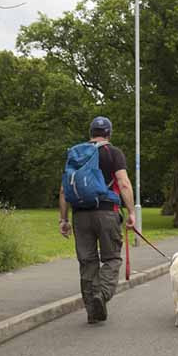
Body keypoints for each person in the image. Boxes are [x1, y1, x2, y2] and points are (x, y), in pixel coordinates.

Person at [58, 117, 136, 324]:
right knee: (111, 258)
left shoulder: (75, 154)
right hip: (107, 211)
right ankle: (101, 294)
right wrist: (132, 212)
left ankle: (92, 311)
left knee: (87, 261)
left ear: (90, 132)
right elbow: (124, 183)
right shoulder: (113, 152)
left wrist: (63, 219)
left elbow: (64, 189)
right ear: (109, 133)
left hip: (80, 214)